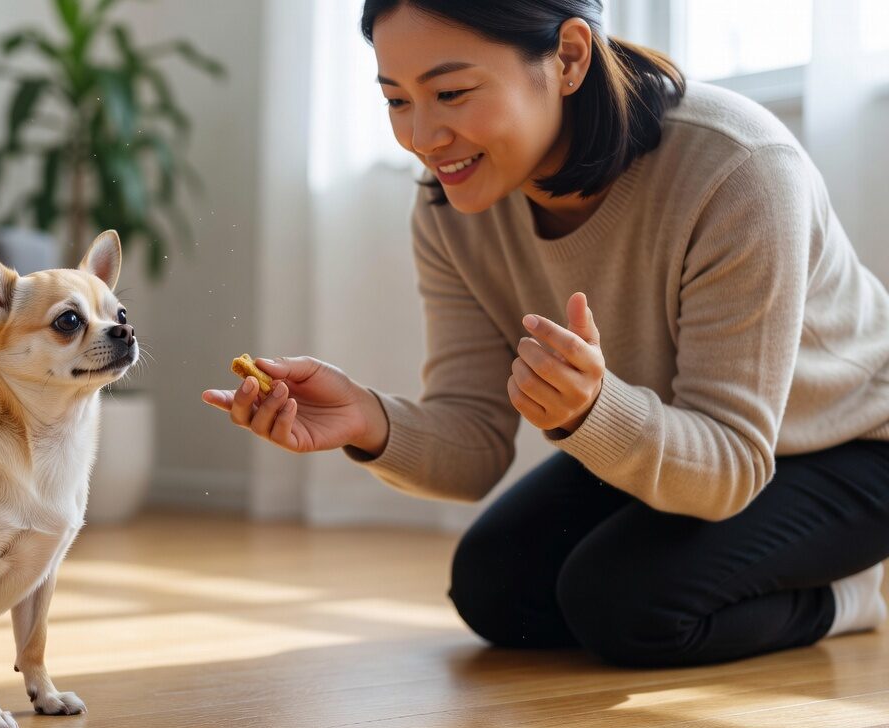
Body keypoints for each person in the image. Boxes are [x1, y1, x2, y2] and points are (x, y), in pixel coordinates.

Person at [202, 0, 889, 667]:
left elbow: (732, 462)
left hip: (850, 441)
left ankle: (842, 596)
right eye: (397, 99)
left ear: (567, 57)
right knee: (493, 589)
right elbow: (474, 444)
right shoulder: (450, 206)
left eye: (452, 91)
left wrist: (593, 412)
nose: (422, 136)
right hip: (683, 437)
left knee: (624, 604)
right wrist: (368, 419)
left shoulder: (739, 167)